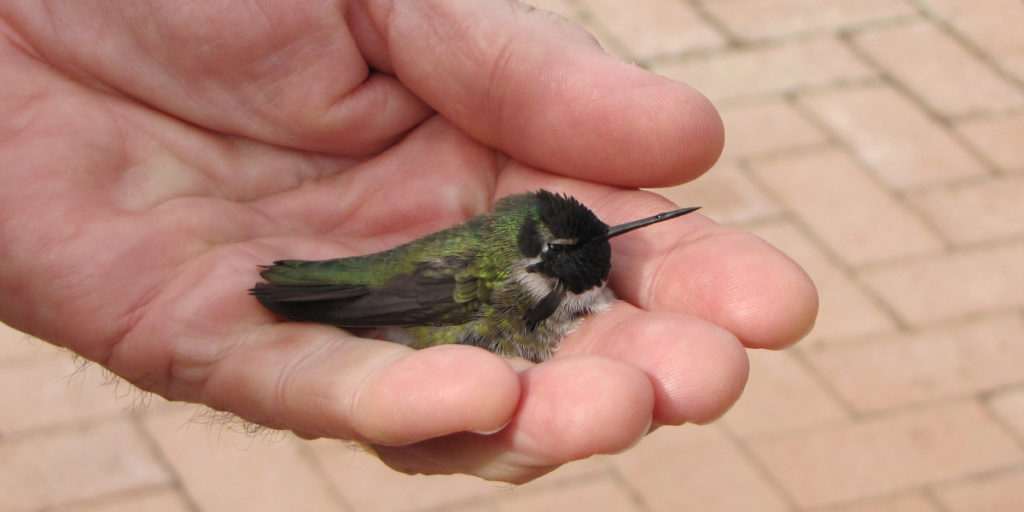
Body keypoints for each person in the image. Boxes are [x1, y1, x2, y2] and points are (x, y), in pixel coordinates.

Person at [0, 0, 817, 483]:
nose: (603, 254)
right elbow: (423, 290)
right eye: (576, 260)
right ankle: (301, 289)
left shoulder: (533, 245)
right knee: (375, 306)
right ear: (538, 257)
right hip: (407, 290)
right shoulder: (506, 276)